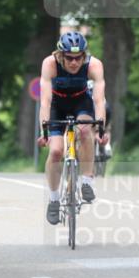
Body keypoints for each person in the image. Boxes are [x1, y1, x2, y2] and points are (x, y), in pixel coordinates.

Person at [37, 30, 108, 225]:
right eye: (69, 58)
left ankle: (87, 181)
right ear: (61, 55)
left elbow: (99, 100)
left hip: (81, 103)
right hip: (56, 106)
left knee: (85, 131)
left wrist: (100, 129)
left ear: (84, 56)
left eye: (78, 58)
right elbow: (44, 100)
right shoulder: (49, 63)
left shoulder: (94, 65)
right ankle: (53, 200)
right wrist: (43, 130)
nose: (74, 62)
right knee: (56, 152)